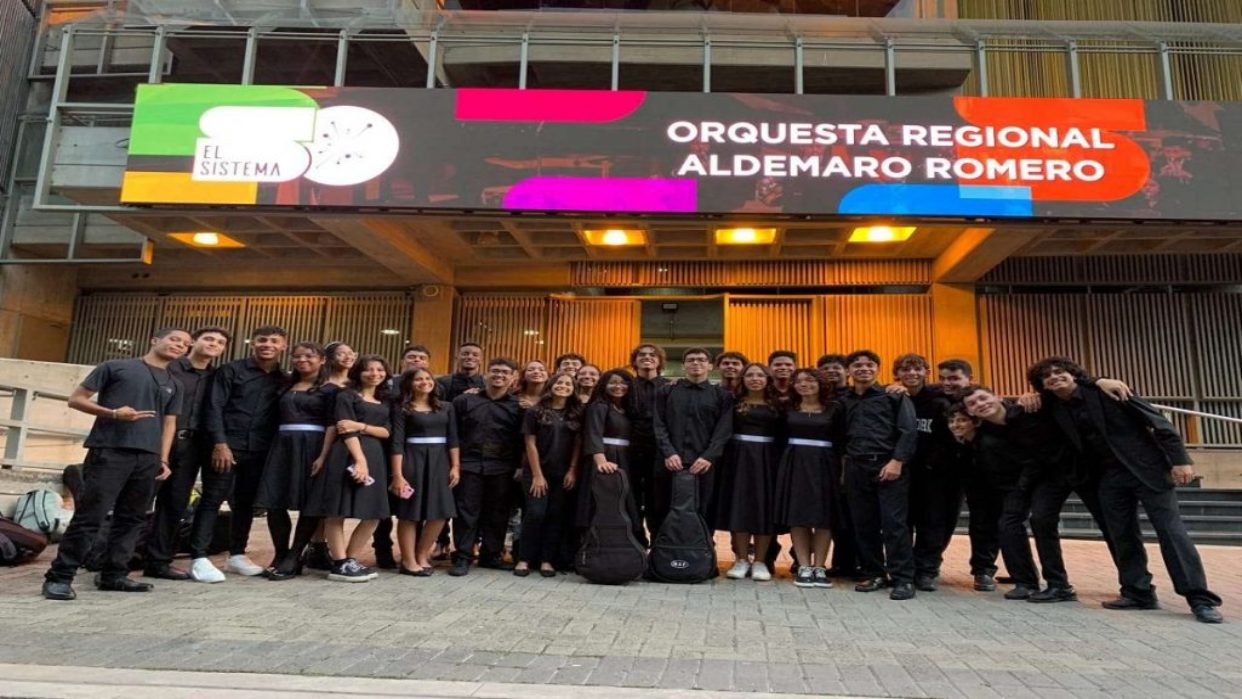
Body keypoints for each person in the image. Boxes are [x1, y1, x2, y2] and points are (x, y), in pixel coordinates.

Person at [1029, 357, 1223, 623]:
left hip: (1147, 469)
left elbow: (1158, 422)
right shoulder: (1053, 406)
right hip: (1108, 477)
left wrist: (1180, 460)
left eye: (1059, 371)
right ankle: (1138, 592)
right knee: (1121, 534)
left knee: (1170, 531)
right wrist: (1026, 398)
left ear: (1073, 374)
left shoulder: (1108, 390)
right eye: (1046, 376)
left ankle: (1199, 599)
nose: (1053, 377)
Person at [42, 328, 189, 601]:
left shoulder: (175, 383)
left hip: (148, 458)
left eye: (185, 344)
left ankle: (114, 575)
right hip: (110, 451)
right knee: (91, 516)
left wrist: (163, 459)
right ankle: (59, 577)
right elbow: (76, 399)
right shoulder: (116, 366)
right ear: (155, 340)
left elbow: (170, 423)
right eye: (174, 339)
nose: (179, 345)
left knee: (132, 519)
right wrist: (112, 413)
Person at [963, 384, 1099, 603]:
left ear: (998, 396)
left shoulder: (1025, 412)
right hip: (1020, 483)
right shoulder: (985, 435)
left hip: (1053, 475)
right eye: (972, 404)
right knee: (1007, 524)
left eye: (983, 398)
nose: (980, 404)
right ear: (970, 412)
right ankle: (1025, 582)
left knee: (1041, 520)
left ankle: (1059, 584)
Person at [188, 326, 287, 583]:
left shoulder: (283, 378)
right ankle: (198, 556)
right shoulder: (230, 370)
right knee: (212, 498)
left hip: (260, 449)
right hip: (226, 447)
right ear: (252, 343)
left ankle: (237, 554)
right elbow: (214, 407)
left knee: (245, 503)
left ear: (283, 346)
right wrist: (219, 443)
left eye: (274, 341)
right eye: (262, 340)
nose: (267, 344)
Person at [142, 326, 229, 581]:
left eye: (220, 342)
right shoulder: (170, 367)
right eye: (208, 339)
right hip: (158, 439)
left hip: (193, 446)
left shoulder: (218, 377)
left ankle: (158, 562)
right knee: (139, 500)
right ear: (194, 343)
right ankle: (113, 560)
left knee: (175, 503)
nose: (214, 344)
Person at [254, 342, 339, 580]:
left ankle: (294, 555)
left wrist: (323, 455)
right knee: (274, 501)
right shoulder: (284, 386)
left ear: (322, 360)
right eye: (297, 356)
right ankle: (280, 554)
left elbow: (332, 424)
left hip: (313, 445)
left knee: (309, 502)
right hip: (282, 445)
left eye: (309, 356)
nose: (302, 360)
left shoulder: (331, 390)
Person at [304, 355, 393, 582]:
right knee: (337, 510)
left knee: (374, 513)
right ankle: (340, 562)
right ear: (358, 372)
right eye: (368, 369)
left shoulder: (386, 400)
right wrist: (360, 460)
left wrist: (361, 425)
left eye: (380, 369)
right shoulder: (346, 395)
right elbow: (345, 428)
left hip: (376, 456)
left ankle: (351, 559)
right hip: (346, 454)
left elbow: (387, 432)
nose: (374, 374)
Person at [841, 350, 917, 600]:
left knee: (894, 524)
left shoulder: (893, 395)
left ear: (877, 368)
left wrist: (897, 461)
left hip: (888, 466)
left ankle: (903, 579)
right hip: (856, 467)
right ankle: (874, 573)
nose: (863, 368)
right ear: (849, 371)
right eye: (857, 365)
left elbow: (908, 431)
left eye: (869, 364)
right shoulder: (843, 399)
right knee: (864, 524)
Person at [889, 354, 958, 592]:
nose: (911, 374)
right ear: (897, 374)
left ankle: (926, 570)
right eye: (905, 370)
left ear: (926, 372)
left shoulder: (940, 400)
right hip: (902, 471)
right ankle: (904, 569)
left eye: (917, 369)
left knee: (932, 523)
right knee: (902, 523)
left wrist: (934, 464)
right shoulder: (892, 398)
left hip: (934, 474)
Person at [450, 357, 524, 576]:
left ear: (513, 378)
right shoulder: (464, 401)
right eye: (495, 371)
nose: (499, 375)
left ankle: (491, 556)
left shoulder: (518, 407)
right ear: (486, 374)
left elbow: (522, 440)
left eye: (504, 372)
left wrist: (520, 466)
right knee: (466, 512)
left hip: (503, 467)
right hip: (469, 464)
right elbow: (453, 434)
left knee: (498, 513)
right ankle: (463, 556)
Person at [775, 368, 846, 588]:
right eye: (799, 381)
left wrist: (842, 470)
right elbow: (779, 437)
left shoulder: (835, 408)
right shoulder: (786, 407)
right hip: (794, 463)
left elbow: (842, 440)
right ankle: (804, 566)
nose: (804, 384)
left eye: (810, 380)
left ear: (821, 383)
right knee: (798, 515)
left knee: (824, 517)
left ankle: (820, 566)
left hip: (825, 464)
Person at [651, 347, 734, 534]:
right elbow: (658, 424)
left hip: (704, 464)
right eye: (691, 360)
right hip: (669, 462)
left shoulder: (723, 396)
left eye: (701, 360)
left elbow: (723, 431)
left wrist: (708, 456)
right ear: (683, 366)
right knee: (663, 508)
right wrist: (668, 452)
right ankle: (662, 549)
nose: (696, 363)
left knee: (705, 509)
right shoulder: (666, 392)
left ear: (710, 366)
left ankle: (703, 548)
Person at [389, 367, 460, 576]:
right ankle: (408, 560)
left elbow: (453, 439)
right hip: (412, 460)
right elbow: (397, 442)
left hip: (440, 461)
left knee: (440, 512)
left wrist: (455, 466)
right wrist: (398, 475)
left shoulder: (446, 407)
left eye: (428, 378)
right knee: (409, 513)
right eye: (418, 379)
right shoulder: (402, 408)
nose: (424, 382)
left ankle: (422, 554)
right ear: (409, 384)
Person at [715, 363, 781, 582]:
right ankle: (741, 559)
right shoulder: (733, 402)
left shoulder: (779, 404)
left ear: (767, 379)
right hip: (738, 459)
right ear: (742, 379)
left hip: (768, 460)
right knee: (739, 506)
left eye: (760, 375)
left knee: (764, 508)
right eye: (750, 375)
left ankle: (760, 561)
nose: (755, 379)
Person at [374, 343, 434, 569]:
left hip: (414, 456)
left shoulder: (430, 386)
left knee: (413, 506)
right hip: (382, 449)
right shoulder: (385, 386)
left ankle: (413, 553)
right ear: (401, 362)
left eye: (421, 358)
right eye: (411, 356)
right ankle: (382, 548)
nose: (416, 360)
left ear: (427, 364)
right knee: (383, 507)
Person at [517, 372, 582, 577]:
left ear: (573, 389)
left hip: (563, 473)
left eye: (568, 384)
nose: (563, 386)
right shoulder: (535, 411)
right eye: (559, 382)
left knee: (555, 515)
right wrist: (537, 475)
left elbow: (578, 444)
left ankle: (547, 560)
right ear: (551, 386)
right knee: (535, 513)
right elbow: (530, 443)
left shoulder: (576, 413)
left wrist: (572, 470)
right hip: (536, 472)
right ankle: (524, 558)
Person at [579, 368, 644, 546]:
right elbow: (593, 433)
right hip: (605, 458)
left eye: (623, 383)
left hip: (625, 458)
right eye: (613, 382)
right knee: (602, 500)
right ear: (604, 385)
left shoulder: (626, 409)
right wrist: (600, 460)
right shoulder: (598, 406)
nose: (618, 386)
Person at [815, 352, 856, 578]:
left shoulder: (854, 394)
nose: (831, 372)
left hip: (848, 458)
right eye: (826, 368)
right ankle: (839, 563)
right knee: (830, 514)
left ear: (846, 371)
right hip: (822, 460)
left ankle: (849, 563)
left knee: (848, 516)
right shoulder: (819, 396)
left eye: (836, 368)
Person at [628, 344, 669, 538]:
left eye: (653, 355)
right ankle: (636, 541)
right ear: (635, 361)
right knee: (631, 497)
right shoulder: (627, 385)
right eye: (642, 355)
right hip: (631, 449)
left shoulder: (670, 387)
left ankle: (658, 543)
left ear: (659, 361)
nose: (647, 357)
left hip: (660, 451)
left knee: (659, 498)